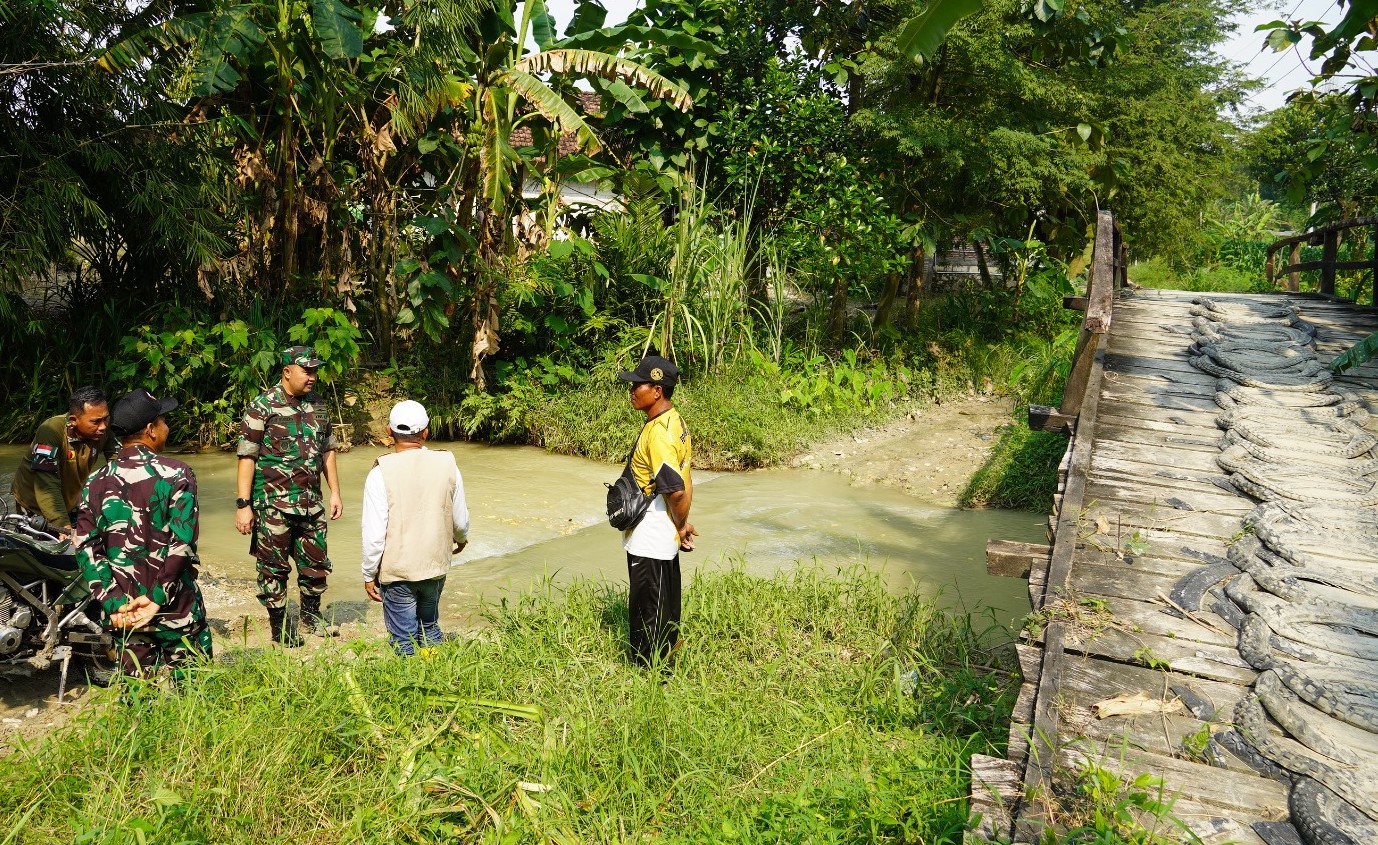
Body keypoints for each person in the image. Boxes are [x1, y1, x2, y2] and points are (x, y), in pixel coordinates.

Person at [72, 389, 211, 679]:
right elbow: (182, 542)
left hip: (125, 615)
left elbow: (85, 546)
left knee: (137, 698)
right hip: (176, 610)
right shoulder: (177, 474)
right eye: (163, 421)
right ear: (150, 430)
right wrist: (158, 598)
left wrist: (113, 603)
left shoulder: (96, 481)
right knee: (195, 696)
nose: (166, 428)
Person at [235, 345, 343, 647]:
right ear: (287, 372)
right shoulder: (262, 406)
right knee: (273, 568)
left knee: (317, 564)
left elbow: (328, 450)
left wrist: (335, 492)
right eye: (306, 370)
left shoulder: (319, 405)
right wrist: (243, 505)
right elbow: (247, 457)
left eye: (315, 370)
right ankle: (280, 628)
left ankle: (310, 618)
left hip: (312, 504)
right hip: (273, 506)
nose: (312, 376)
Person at [361, 400, 469, 656]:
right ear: (425, 433)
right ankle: (435, 673)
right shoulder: (447, 463)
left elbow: (374, 533)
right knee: (429, 626)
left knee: (403, 636)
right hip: (435, 566)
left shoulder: (380, 472)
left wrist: (368, 573)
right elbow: (460, 519)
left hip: (398, 571)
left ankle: (411, 686)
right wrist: (461, 539)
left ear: (388, 432)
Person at [617, 354, 696, 666]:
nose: (632, 390)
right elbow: (686, 477)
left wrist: (678, 524)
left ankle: (650, 674)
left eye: (639, 385)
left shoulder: (659, 433)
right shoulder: (673, 422)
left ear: (657, 390)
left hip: (652, 532)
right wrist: (683, 522)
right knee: (663, 604)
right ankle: (663, 665)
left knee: (647, 607)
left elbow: (675, 488)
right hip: (663, 529)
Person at [11, 386, 117, 534]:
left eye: (106, 418)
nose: (103, 426)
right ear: (74, 420)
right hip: (34, 505)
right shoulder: (51, 431)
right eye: (96, 421)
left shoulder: (104, 431)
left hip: (70, 500)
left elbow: (120, 464)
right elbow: (46, 483)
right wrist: (63, 526)